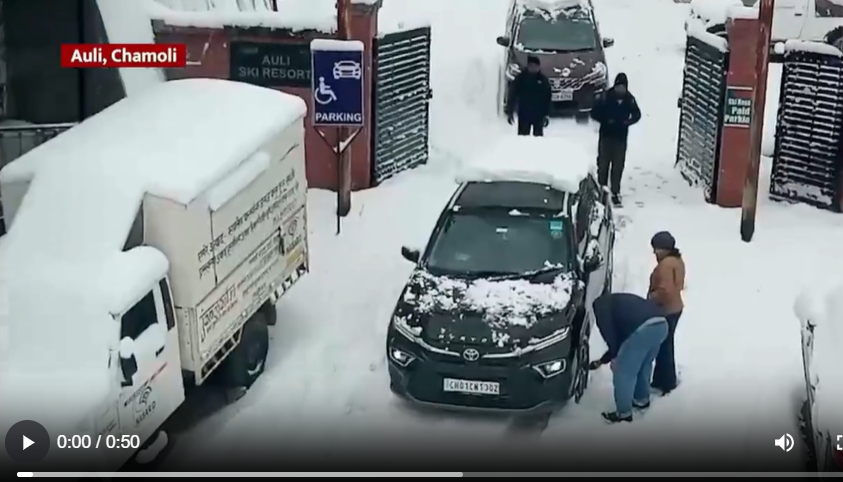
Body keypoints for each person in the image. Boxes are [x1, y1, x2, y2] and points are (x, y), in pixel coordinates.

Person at [587, 292, 668, 423]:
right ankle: (641, 399)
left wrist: (615, 358)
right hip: (661, 325)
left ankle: (623, 413)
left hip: (643, 329)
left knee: (623, 371)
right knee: (643, 364)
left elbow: (613, 339)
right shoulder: (619, 303)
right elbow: (624, 341)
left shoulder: (601, 309)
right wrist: (603, 360)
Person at [589, 72, 641, 207]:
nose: (620, 90)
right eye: (618, 87)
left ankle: (615, 192)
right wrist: (606, 120)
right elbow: (594, 112)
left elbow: (637, 114)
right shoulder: (606, 97)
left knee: (618, 166)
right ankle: (601, 191)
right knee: (603, 165)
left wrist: (628, 122)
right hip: (606, 136)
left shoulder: (629, 99)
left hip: (620, 138)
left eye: (623, 87)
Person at [647, 231, 685, 396]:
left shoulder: (665, 266)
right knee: (664, 345)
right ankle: (660, 380)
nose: (654, 252)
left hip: (666, 310)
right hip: (675, 308)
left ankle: (667, 382)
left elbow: (665, 291)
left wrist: (651, 298)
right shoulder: (677, 261)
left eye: (656, 248)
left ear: (664, 249)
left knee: (664, 347)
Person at [505, 55, 551, 137]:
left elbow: (548, 98)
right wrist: (510, 111)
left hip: (538, 115)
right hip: (524, 114)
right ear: (528, 66)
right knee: (523, 138)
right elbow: (512, 95)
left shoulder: (543, 80)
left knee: (538, 139)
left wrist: (547, 114)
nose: (534, 68)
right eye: (532, 66)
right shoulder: (521, 79)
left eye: (535, 66)